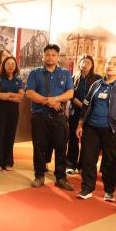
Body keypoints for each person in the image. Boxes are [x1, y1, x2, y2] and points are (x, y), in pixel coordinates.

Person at [75, 56, 116, 201]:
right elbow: (86, 104)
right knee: (88, 159)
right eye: (108, 63)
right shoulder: (96, 84)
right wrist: (81, 123)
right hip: (91, 128)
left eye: (114, 64)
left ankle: (109, 191)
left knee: (110, 161)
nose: (110, 66)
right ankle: (87, 188)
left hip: (112, 129)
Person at [25, 44, 75, 190]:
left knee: (61, 147)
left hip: (59, 116)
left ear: (57, 57)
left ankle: (61, 178)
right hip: (39, 115)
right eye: (47, 54)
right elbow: (29, 93)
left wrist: (56, 99)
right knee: (39, 147)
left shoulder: (65, 73)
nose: (50, 57)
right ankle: (39, 176)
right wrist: (48, 101)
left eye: (53, 55)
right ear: (43, 56)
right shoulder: (35, 73)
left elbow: (70, 93)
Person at [66, 55, 100, 175]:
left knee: (87, 140)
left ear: (92, 66)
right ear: (79, 64)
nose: (85, 65)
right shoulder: (73, 78)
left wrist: (88, 109)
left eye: (88, 63)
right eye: (83, 62)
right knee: (73, 139)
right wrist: (83, 106)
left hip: (91, 114)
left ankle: (82, 166)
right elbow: (71, 95)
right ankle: (71, 164)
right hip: (75, 112)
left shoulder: (97, 79)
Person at [0, 57, 25, 170]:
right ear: (4, 65)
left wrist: (7, 95)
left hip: (13, 110)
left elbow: (21, 97)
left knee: (10, 135)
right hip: (0, 109)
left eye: (13, 64)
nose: (10, 66)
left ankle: (8, 162)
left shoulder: (18, 79)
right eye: (8, 63)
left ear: (16, 66)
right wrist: (13, 96)